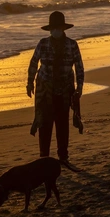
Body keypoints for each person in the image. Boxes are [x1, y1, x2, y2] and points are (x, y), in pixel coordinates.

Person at [27, 11, 84, 169]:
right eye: (54, 28)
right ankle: (43, 157)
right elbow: (33, 63)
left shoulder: (72, 45)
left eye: (58, 28)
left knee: (62, 124)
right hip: (45, 90)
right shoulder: (43, 43)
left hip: (65, 90)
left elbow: (79, 67)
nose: (56, 31)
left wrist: (79, 87)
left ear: (63, 28)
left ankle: (63, 157)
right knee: (44, 124)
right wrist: (29, 83)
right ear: (50, 30)